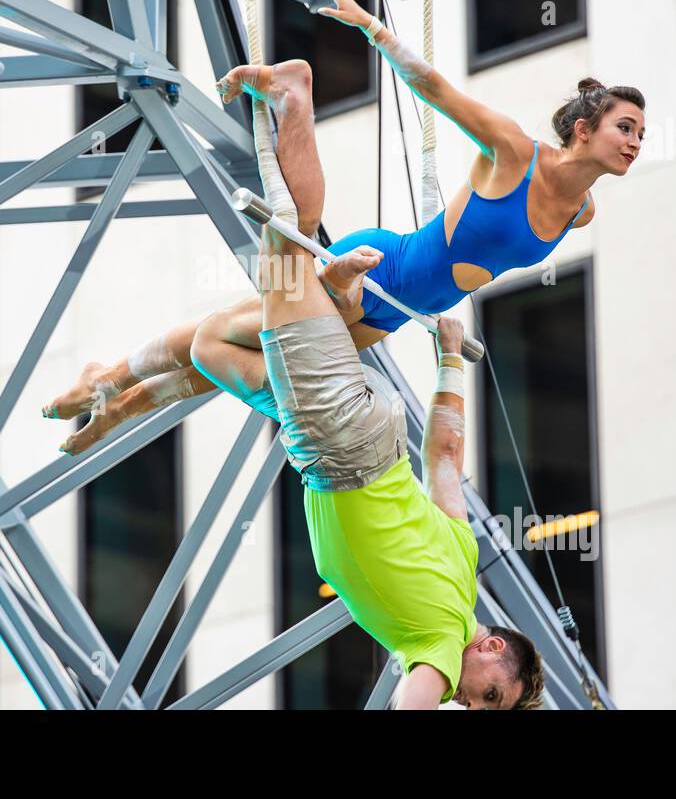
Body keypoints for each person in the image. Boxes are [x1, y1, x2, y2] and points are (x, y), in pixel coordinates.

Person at [43, 0, 646, 454]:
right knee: (236, 322)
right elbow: (437, 89)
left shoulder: (581, 212)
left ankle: (113, 394)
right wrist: (372, 30)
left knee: (268, 355)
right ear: (584, 129)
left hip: (394, 313)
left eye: (640, 135)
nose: (634, 143)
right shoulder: (515, 153)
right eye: (625, 128)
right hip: (375, 269)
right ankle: (294, 93)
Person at [225, 58, 544, 709]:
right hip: (339, 447)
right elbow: (411, 703)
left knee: (223, 331)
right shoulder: (441, 647)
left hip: (364, 437)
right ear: (490, 650)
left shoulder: (461, 561)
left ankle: (335, 286)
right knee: (286, 249)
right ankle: (295, 93)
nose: (467, 702)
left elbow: (447, 457)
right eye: (489, 697)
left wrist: (451, 359)